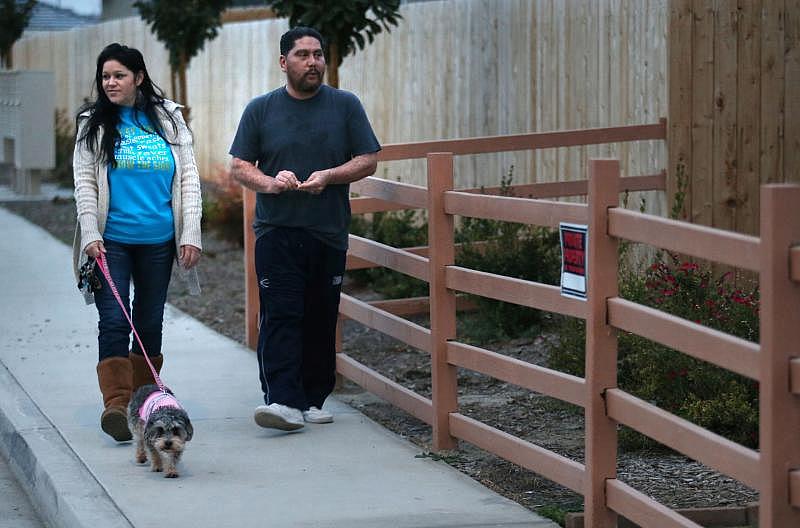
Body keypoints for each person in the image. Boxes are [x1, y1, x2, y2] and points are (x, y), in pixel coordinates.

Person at [229, 26, 380, 432]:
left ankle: (313, 397)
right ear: (284, 62)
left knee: (320, 316)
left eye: (318, 54)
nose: (313, 62)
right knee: (281, 314)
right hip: (277, 230)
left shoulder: (345, 105)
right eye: (302, 55)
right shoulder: (261, 109)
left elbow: (368, 159)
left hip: (328, 230)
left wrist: (330, 175)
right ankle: (282, 400)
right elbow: (240, 166)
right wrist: (271, 183)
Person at [72, 43, 202, 442]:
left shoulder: (169, 120)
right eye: (105, 76)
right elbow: (85, 182)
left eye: (118, 76)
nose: (110, 83)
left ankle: (144, 401)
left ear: (138, 77)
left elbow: (189, 180)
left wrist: (191, 232)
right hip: (111, 243)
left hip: (159, 241)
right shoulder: (92, 122)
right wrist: (90, 232)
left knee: (148, 321)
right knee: (113, 319)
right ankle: (116, 404)